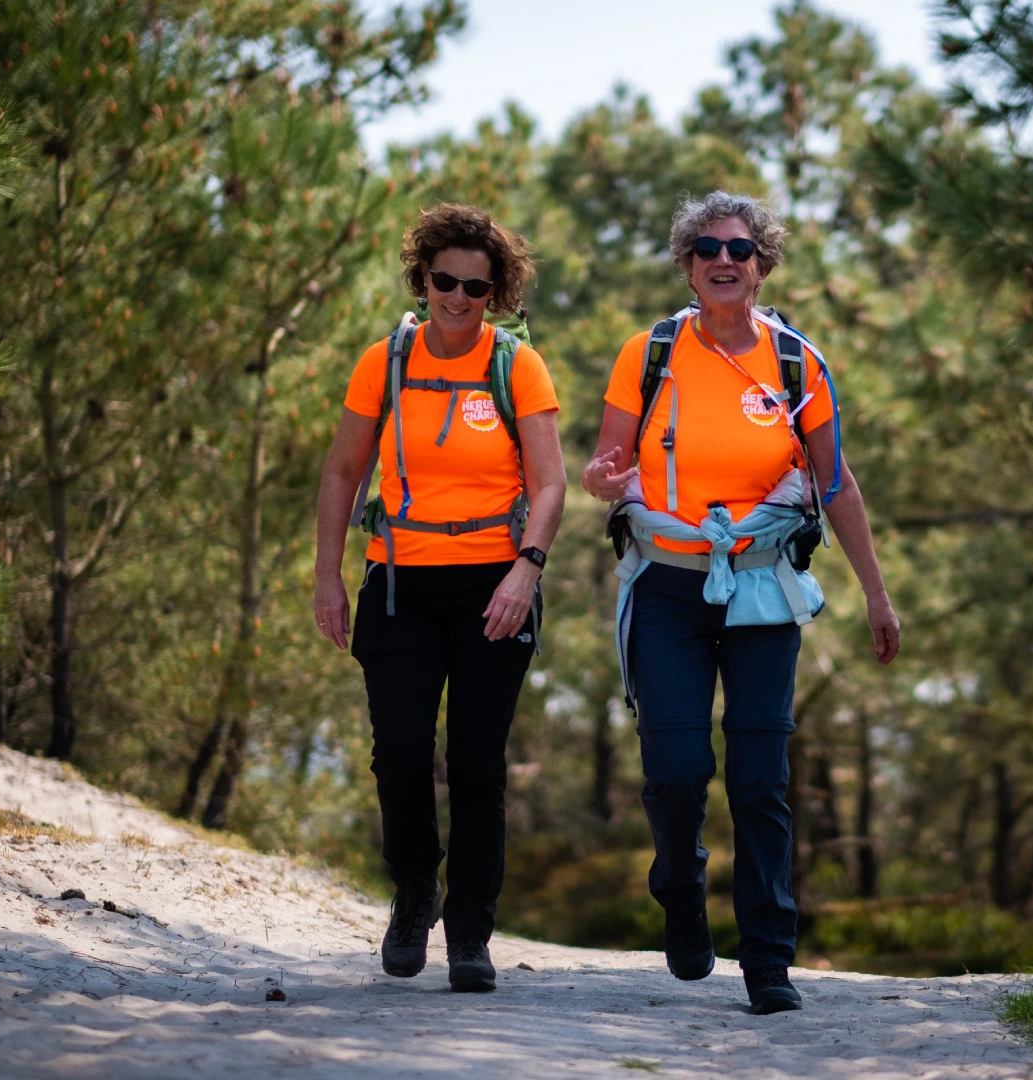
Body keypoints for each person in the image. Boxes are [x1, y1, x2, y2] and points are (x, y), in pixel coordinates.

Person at [581, 191, 901, 1015]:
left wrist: (876, 592)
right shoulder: (648, 353)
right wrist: (600, 482)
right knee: (678, 769)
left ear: (763, 266)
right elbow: (606, 467)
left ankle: (768, 961)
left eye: (742, 248)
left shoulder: (796, 363)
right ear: (688, 267)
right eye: (708, 249)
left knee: (759, 779)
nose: (726, 260)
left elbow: (834, 483)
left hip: (762, 586)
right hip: (668, 588)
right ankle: (681, 894)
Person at [313, 204, 563, 993]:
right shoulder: (383, 361)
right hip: (399, 582)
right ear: (422, 279)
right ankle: (415, 888)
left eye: (477, 287)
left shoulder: (517, 365)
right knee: (400, 757)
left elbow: (552, 483)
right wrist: (327, 577)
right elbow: (341, 474)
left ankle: (471, 935)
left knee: (478, 765)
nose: (458, 297)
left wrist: (526, 570)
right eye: (445, 281)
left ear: (498, 292)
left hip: (496, 585)